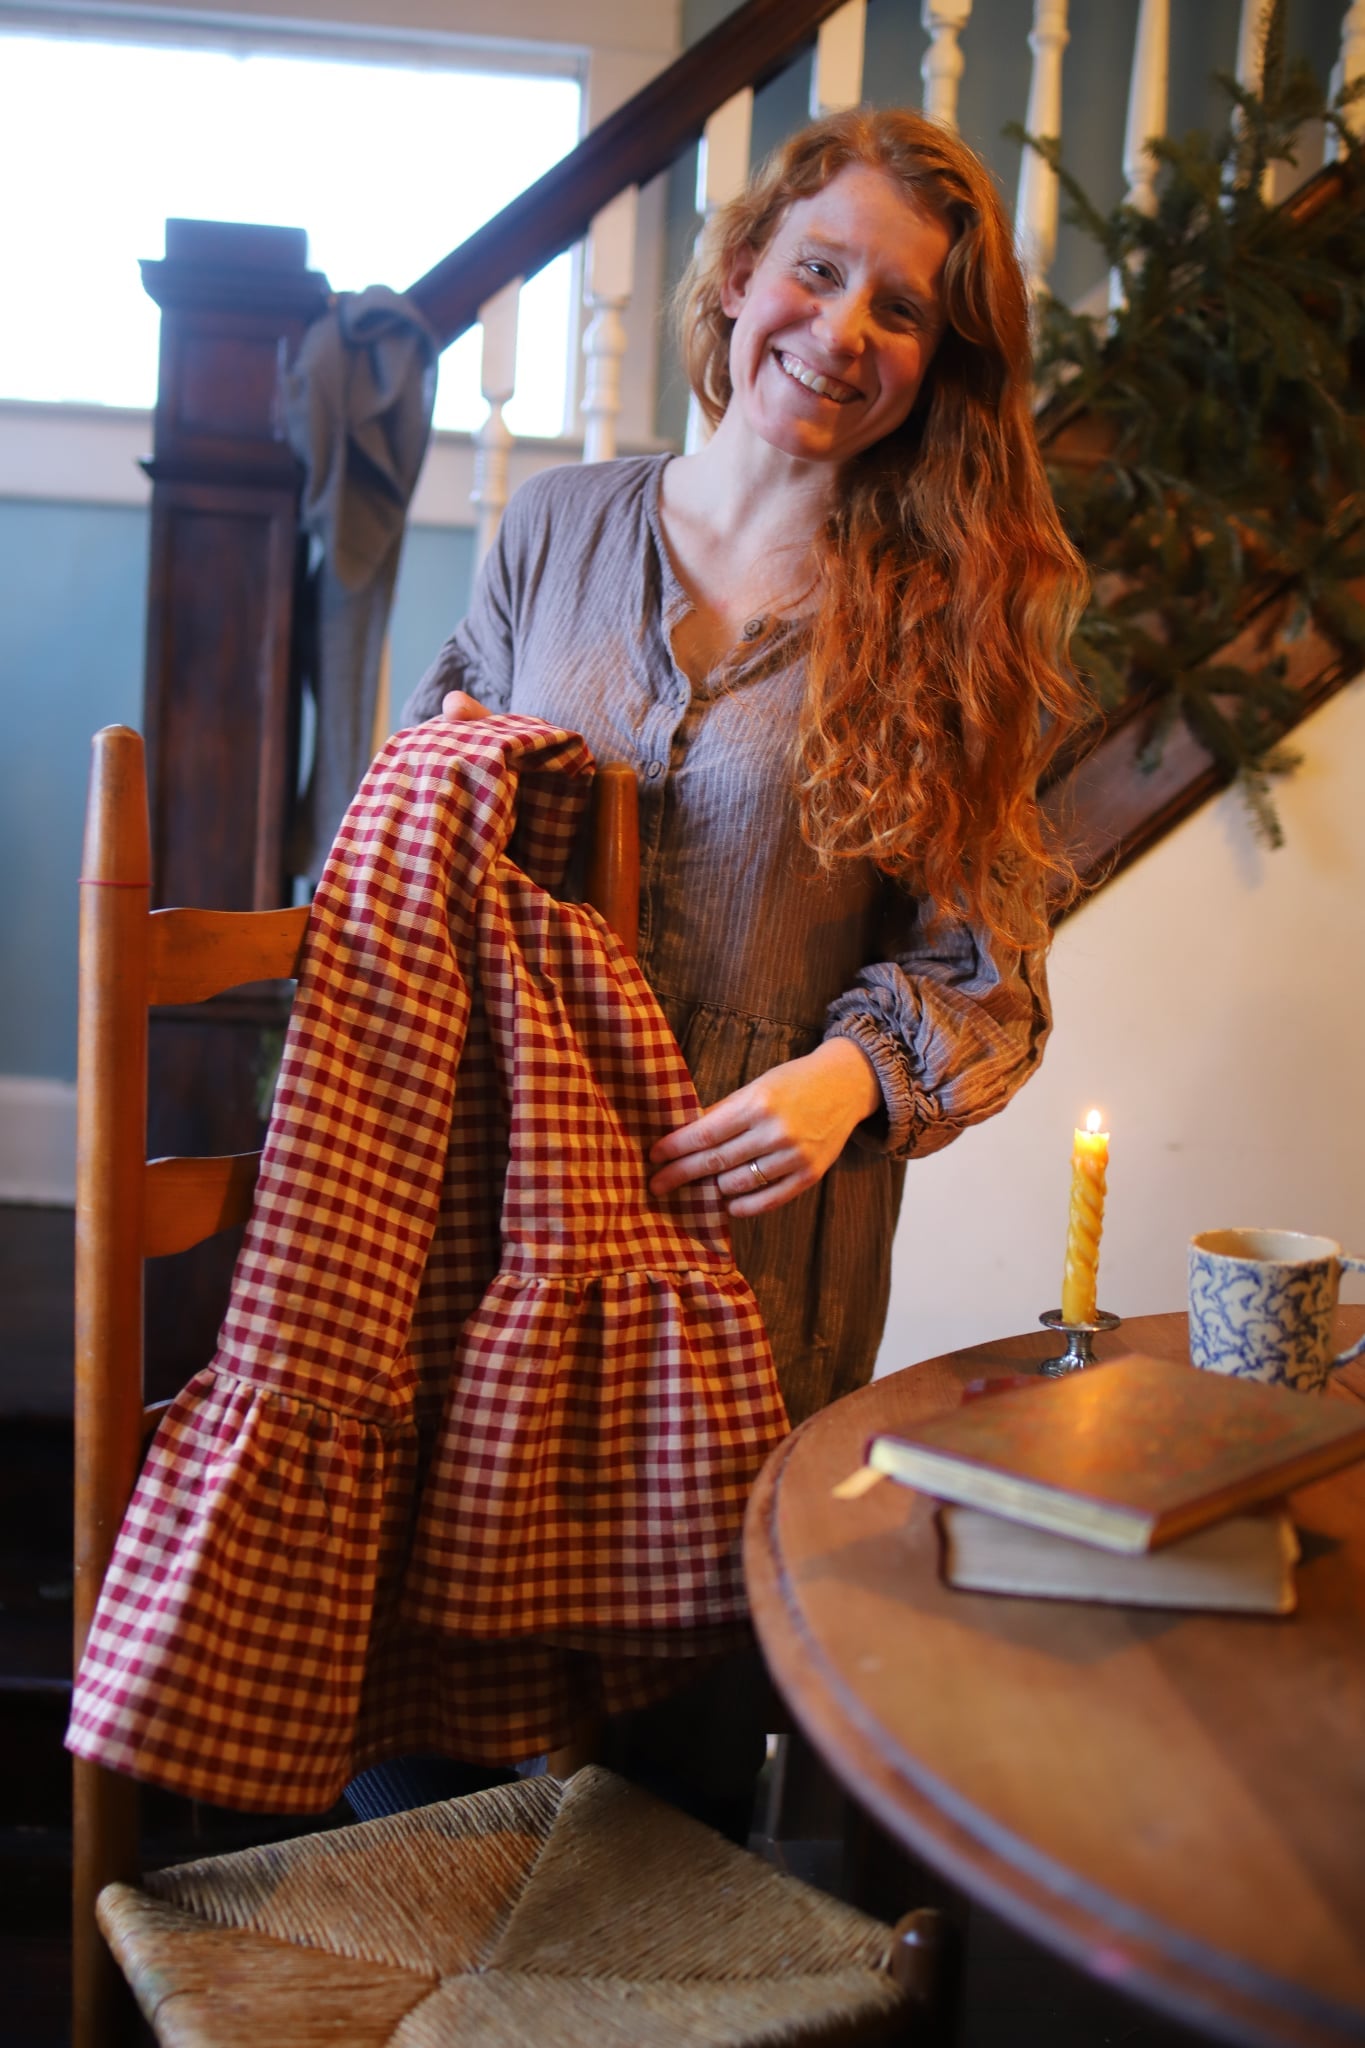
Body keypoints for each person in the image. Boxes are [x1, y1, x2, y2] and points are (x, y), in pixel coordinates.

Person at [384, 106, 1088, 1837]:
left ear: (938, 365)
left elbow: (990, 967)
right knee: (414, 1782)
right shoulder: (552, 530)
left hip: (743, 1263)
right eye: (817, 268)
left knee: (661, 1808)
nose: (842, 330)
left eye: (902, 309)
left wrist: (848, 1078)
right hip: (486, 1238)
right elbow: (409, 817)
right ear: (742, 276)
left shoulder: (943, 616)